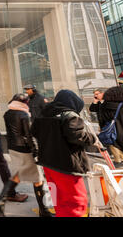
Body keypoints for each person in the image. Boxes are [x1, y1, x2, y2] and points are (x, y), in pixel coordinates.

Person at [31, 89, 103, 217]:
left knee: (58, 200)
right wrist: (92, 138)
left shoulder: (43, 114)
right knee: (77, 202)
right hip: (66, 165)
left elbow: (34, 131)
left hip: (48, 164)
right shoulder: (69, 115)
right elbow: (77, 136)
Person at [0, 93, 53, 217]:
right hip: (24, 149)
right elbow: (28, 135)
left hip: (13, 148)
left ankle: (1, 201)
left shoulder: (8, 113)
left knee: (17, 176)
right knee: (38, 179)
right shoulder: (23, 114)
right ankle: (44, 211)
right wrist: (35, 151)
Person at [90, 88, 123, 168]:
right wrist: (95, 102)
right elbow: (92, 109)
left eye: (97, 94)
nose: (95, 96)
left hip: (113, 125)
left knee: (112, 142)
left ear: (102, 93)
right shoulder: (100, 103)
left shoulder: (109, 102)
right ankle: (120, 159)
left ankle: (118, 160)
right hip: (106, 126)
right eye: (94, 94)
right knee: (113, 142)